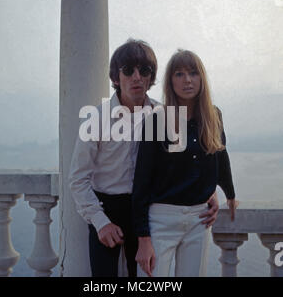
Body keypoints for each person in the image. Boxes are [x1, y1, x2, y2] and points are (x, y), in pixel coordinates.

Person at [69, 40, 219, 277]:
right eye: (128, 70)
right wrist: (101, 222)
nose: (137, 77)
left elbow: (188, 164)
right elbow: (78, 178)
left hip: (147, 210)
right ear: (116, 77)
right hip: (106, 207)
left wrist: (209, 193)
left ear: (152, 77)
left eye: (144, 70)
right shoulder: (96, 119)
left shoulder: (165, 115)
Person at [132, 49, 238, 277]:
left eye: (193, 73)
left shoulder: (213, 115)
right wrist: (143, 239)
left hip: (199, 220)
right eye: (179, 74)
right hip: (161, 219)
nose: (187, 80)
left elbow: (220, 157)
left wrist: (226, 193)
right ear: (171, 81)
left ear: (201, 77)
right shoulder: (157, 120)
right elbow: (141, 180)